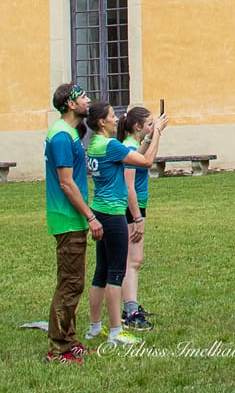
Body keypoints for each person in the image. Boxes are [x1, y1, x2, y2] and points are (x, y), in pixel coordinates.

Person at [85, 99, 167, 344]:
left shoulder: (95, 145)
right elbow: (145, 162)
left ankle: (94, 327)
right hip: (114, 214)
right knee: (115, 273)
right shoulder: (111, 146)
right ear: (101, 122)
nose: (116, 118)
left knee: (100, 272)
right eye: (111, 115)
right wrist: (158, 133)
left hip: (99, 210)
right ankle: (114, 331)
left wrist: (147, 139)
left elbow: (133, 155)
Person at [44, 83, 103, 365]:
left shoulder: (68, 134)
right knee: (69, 283)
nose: (88, 100)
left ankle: (69, 340)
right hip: (67, 219)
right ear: (70, 104)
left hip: (73, 218)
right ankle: (58, 349)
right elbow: (66, 184)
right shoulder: (61, 137)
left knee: (74, 282)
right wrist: (90, 216)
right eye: (82, 97)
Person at [117, 105, 165, 330]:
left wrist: (152, 135)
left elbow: (143, 153)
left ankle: (132, 306)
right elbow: (128, 187)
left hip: (137, 209)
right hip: (132, 211)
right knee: (132, 263)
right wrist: (137, 218)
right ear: (137, 126)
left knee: (135, 261)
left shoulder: (132, 145)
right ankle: (130, 311)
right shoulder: (127, 146)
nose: (151, 127)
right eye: (148, 124)